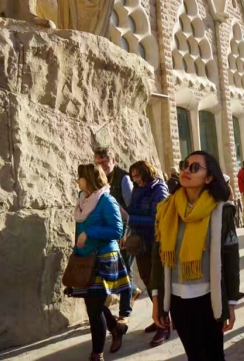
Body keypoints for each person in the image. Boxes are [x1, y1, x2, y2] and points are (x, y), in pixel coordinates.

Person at [151, 151, 240, 361]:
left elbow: (231, 260)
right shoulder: (167, 209)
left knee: (214, 356)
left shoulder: (221, 211)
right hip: (177, 299)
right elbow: (158, 257)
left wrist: (231, 303)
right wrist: (157, 302)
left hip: (209, 299)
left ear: (209, 178)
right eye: (184, 165)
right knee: (194, 356)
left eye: (194, 168)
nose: (185, 170)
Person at [72, 164, 131, 361]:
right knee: (93, 302)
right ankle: (115, 328)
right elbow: (78, 230)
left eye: (80, 177)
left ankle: (97, 355)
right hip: (86, 258)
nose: (77, 180)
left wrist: (90, 233)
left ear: (89, 178)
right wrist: (77, 251)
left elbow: (116, 230)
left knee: (94, 308)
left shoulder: (106, 200)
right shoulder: (83, 199)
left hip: (103, 258)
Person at [93, 148, 140, 329]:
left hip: (126, 232)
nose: (102, 166)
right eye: (99, 162)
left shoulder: (123, 179)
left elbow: (131, 209)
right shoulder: (100, 180)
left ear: (113, 160)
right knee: (119, 270)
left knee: (126, 270)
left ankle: (124, 313)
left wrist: (128, 232)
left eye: (105, 162)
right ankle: (133, 291)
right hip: (111, 232)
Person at [127, 160, 171, 347]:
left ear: (145, 173)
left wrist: (130, 218)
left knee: (158, 284)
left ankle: (164, 326)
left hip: (156, 242)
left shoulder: (158, 188)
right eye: (133, 176)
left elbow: (157, 217)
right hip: (141, 242)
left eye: (137, 175)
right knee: (147, 280)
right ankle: (159, 317)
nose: (134, 179)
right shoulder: (138, 188)